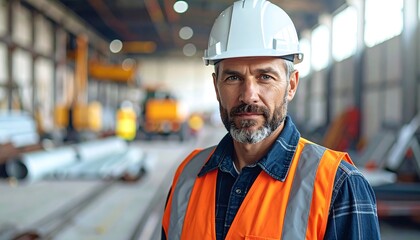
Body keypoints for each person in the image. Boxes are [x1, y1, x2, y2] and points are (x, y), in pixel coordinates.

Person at [161, 0, 381, 239]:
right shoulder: (188, 175)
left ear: (291, 86)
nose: (248, 95)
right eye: (233, 78)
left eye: (265, 77)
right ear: (216, 87)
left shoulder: (338, 185)